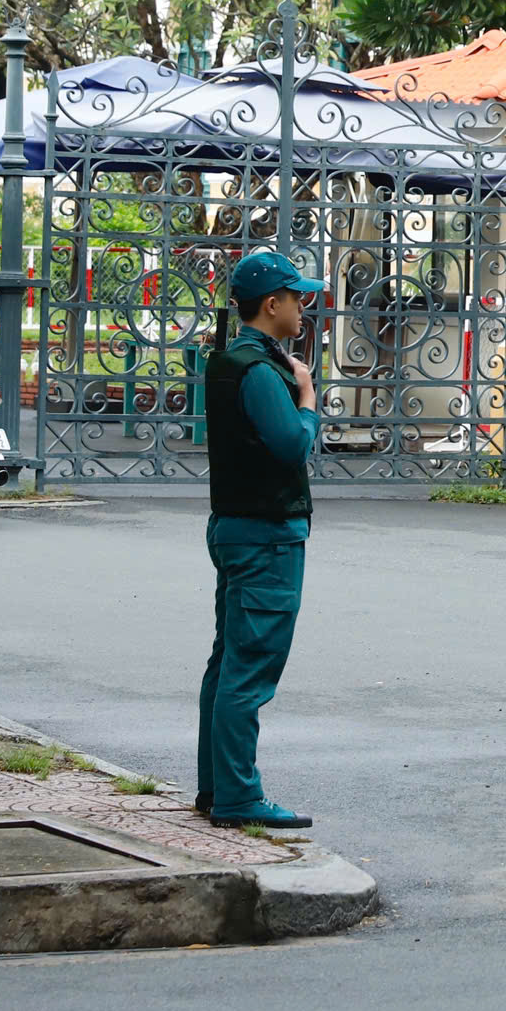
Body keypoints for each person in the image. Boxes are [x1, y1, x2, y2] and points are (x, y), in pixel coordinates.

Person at [195, 250, 324, 832]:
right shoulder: (261, 371)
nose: (304, 305)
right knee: (249, 666)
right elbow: (291, 443)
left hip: (234, 526)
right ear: (272, 304)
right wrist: (308, 399)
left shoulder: (232, 360)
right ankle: (238, 795)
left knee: (228, 662)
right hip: (266, 535)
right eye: (297, 297)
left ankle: (216, 786)